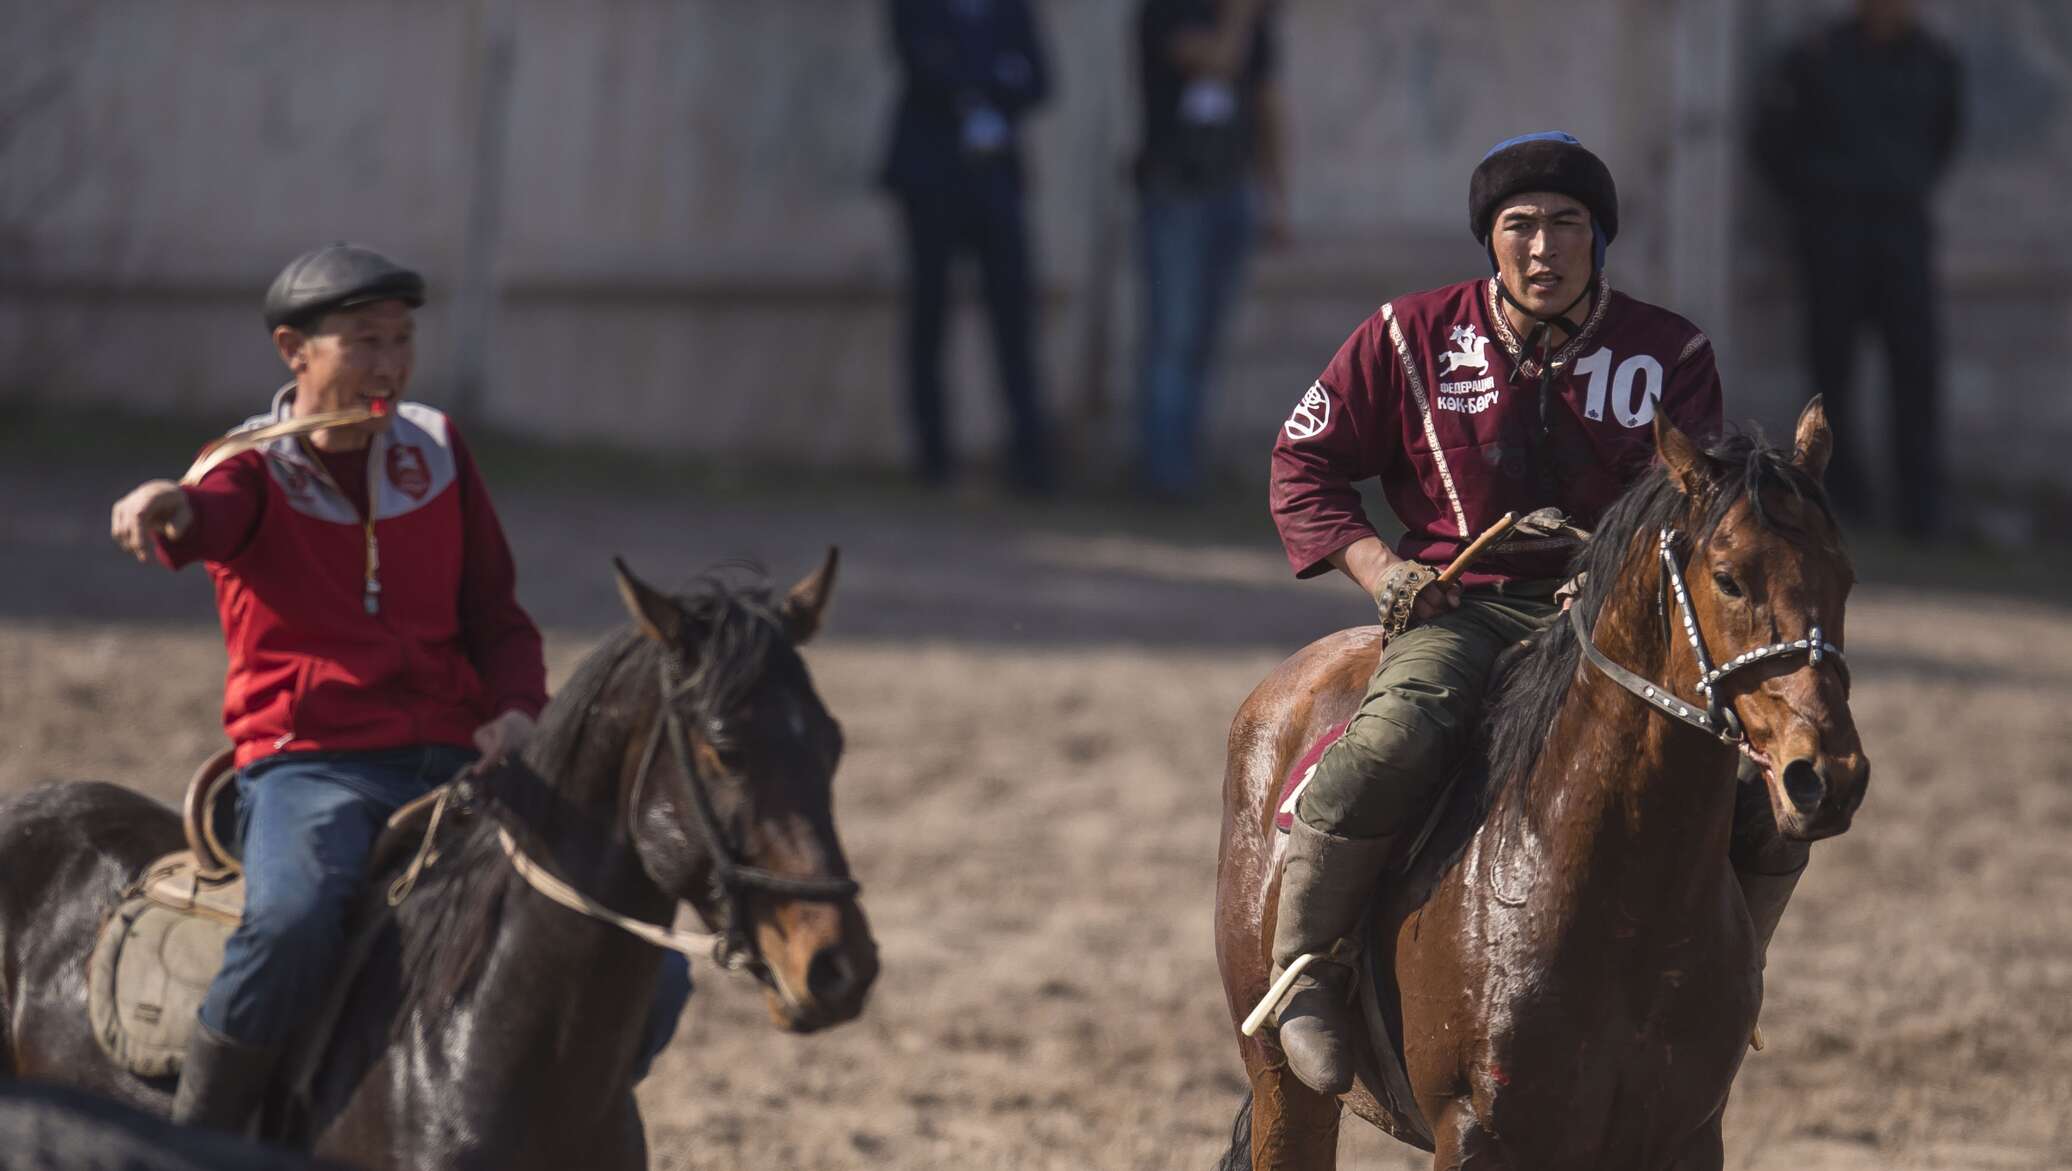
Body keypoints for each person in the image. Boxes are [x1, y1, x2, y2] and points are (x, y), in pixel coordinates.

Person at [1264, 134, 1807, 1095]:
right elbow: (1302, 462)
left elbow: (1702, 505)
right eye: (1520, 226)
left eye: (1566, 225)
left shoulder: (1670, 352)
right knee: (1384, 747)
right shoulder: (1406, 336)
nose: (1543, 248)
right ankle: (1306, 968)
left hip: (1619, 630)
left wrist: (1616, 580)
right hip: (1459, 609)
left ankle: (1735, 973)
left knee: (1766, 793)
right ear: (1490, 240)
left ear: (1599, 238)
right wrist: (1383, 568)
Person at [108, 244, 691, 1131]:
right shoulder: (245, 467)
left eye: (400, 341)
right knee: (293, 922)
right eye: (363, 343)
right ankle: (195, 1142)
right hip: (312, 764)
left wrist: (517, 711)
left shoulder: (437, 446)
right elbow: (202, 515)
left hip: (460, 760)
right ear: (293, 351)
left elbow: (496, 615)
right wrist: (165, 500)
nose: (388, 365)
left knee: (650, 952)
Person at [1752, 0, 1962, 537]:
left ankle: (1921, 509)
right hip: (1833, 234)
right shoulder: (1817, 57)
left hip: (1902, 231)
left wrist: (1899, 188)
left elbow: (1944, 137)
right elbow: (1773, 142)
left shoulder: (1934, 60)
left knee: (1916, 369)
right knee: (1833, 372)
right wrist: (1818, 199)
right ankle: (1843, 498)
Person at [880, 0, 1054, 494]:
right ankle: (932, 456)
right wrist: (997, 74)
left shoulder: (1012, 9)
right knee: (929, 313)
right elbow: (922, 66)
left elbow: (1040, 79)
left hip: (996, 180)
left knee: (1013, 316)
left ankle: (1029, 458)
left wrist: (972, 77)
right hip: (930, 179)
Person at [1134, 0, 1287, 499]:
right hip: (1177, 189)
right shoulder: (1168, 12)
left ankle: (1185, 464)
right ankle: (1165, 475)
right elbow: (1217, 60)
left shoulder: (1254, 24)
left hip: (1232, 190)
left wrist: (1276, 197)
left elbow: (1266, 105)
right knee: (1173, 336)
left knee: (1205, 336)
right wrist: (1242, 15)